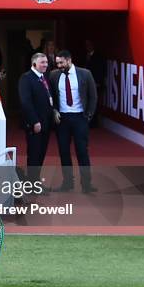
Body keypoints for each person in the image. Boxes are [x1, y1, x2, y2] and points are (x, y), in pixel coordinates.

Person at [49, 50, 98, 193]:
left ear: (69, 60)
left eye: (61, 63)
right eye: (57, 63)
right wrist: (54, 110)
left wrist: (88, 115)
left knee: (82, 151)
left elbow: (93, 96)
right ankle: (67, 183)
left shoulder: (85, 74)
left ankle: (87, 185)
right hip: (62, 119)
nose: (59, 65)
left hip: (79, 118)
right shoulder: (54, 75)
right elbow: (50, 95)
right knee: (64, 152)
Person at [18, 52, 54, 186]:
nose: (45, 65)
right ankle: (32, 184)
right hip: (35, 124)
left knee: (41, 153)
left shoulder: (45, 77)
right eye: (42, 62)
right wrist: (35, 121)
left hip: (46, 122)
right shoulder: (26, 78)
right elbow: (26, 102)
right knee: (34, 154)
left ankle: (35, 181)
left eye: (46, 62)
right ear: (34, 64)